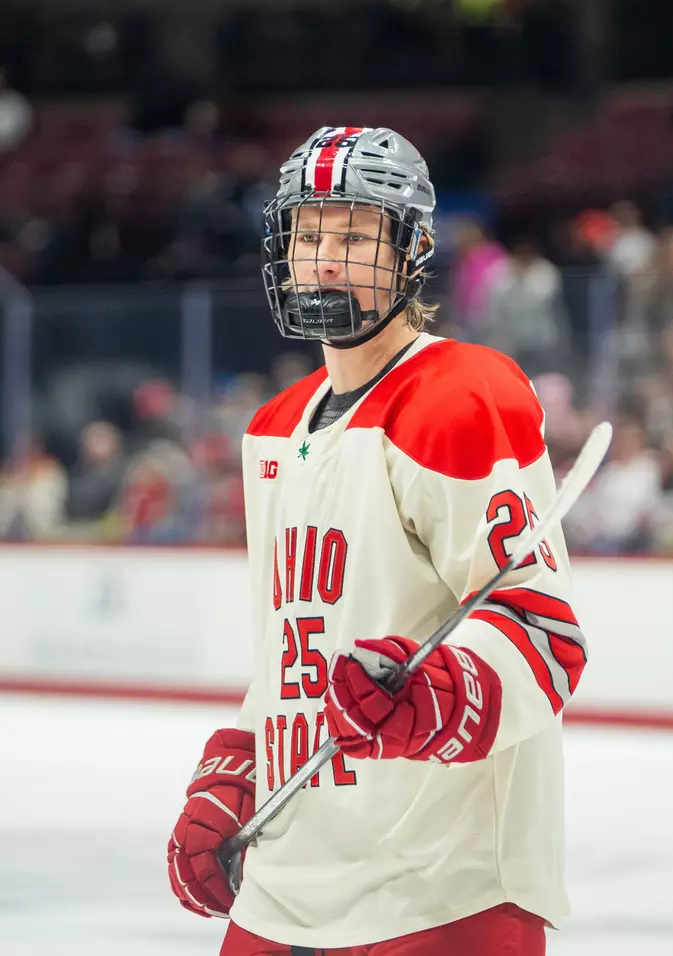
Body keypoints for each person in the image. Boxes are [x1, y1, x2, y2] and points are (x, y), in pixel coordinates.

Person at [167, 127, 587, 955]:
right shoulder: (273, 430)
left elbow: (543, 635)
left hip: (438, 887)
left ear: (411, 250)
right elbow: (291, 643)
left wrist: (437, 693)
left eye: (354, 236)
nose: (324, 259)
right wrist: (237, 765)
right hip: (286, 879)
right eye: (308, 235)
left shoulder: (463, 393)